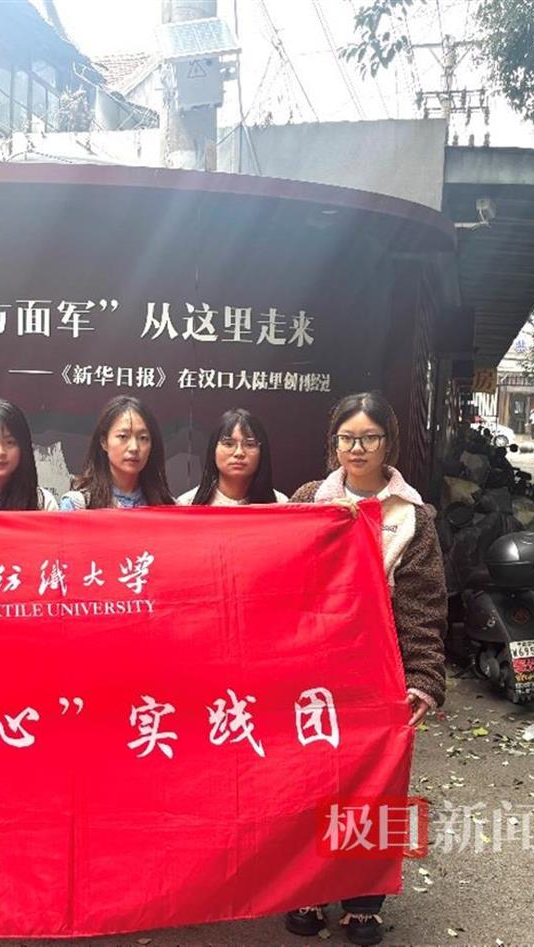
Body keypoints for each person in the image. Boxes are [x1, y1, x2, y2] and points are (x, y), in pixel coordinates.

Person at [285, 391, 447, 946]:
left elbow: (424, 605)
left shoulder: (412, 516)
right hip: (312, 670)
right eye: (348, 438)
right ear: (334, 443)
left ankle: (363, 900)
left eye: (369, 438)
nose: (358, 449)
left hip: (379, 671)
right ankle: (307, 888)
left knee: (375, 785)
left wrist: (423, 678)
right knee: (309, 781)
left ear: (388, 444)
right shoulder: (308, 501)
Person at [59, 395, 175, 510]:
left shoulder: (168, 507)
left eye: (143, 438)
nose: (134, 447)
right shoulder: (77, 505)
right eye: (123, 436)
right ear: (104, 442)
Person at [177, 408, 289, 505]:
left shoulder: (280, 503)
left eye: (249, 444)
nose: (239, 453)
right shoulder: (187, 503)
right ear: (213, 449)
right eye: (228, 444)